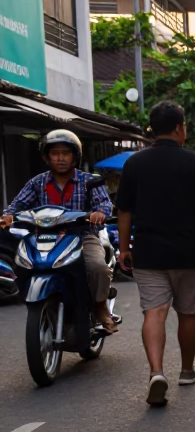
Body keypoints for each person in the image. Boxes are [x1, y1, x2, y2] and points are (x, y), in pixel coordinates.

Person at [115, 101, 195, 406]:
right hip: (187, 252)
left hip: (148, 252)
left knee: (154, 311)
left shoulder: (134, 164)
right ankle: (187, 370)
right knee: (188, 312)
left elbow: (124, 211)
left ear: (153, 129)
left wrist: (124, 248)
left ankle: (156, 372)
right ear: (180, 128)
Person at [2, 129, 116, 333]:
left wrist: (99, 213)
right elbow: (17, 205)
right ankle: (37, 301)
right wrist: (8, 216)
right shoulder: (37, 183)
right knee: (21, 263)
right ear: (47, 157)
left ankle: (100, 307)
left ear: (75, 156)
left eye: (65, 153)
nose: (60, 158)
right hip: (44, 238)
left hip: (82, 237)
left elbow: (104, 204)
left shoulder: (89, 181)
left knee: (97, 267)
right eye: (55, 153)